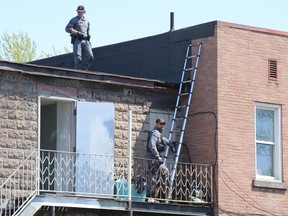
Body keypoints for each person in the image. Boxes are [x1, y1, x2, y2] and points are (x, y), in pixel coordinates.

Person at [146, 118, 170, 201]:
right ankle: (151, 196)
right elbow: (151, 144)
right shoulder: (155, 132)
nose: (162, 125)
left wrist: (169, 142)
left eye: (164, 124)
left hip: (155, 157)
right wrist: (157, 155)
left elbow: (162, 140)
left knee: (164, 172)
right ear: (157, 124)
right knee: (153, 175)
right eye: (161, 124)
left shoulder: (158, 134)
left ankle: (161, 194)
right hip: (153, 157)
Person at [65, 5, 94, 71]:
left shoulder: (87, 21)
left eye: (81, 12)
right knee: (78, 58)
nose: (79, 13)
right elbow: (67, 28)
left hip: (86, 41)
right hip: (78, 40)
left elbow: (87, 30)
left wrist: (88, 35)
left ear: (84, 12)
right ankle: (78, 71)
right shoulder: (74, 20)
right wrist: (77, 32)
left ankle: (83, 70)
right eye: (78, 12)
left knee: (90, 57)